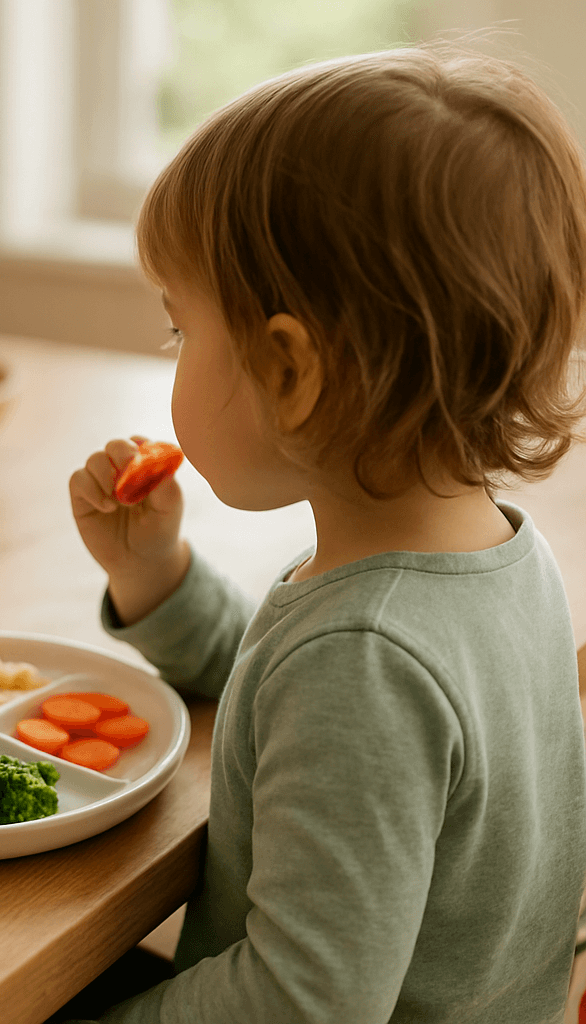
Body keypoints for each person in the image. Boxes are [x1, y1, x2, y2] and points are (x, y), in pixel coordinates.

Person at [63, 42, 586, 1023]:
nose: (171, 351)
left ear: (292, 371)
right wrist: (157, 574)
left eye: (181, 328)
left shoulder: (366, 652)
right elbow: (285, 698)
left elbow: (301, 1002)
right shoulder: (494, 556)